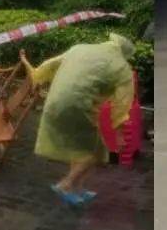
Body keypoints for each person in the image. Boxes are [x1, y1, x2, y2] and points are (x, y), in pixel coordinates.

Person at [20, 33, 135, 207]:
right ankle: (66, 184)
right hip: (80, 106)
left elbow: (49, 65)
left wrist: (36, 74)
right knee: (95, 151)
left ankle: (78, 188)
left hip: (54, 102)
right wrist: (119, 132)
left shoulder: (79, 49)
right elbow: (122, 105)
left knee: (80, 148)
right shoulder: (122, 68)